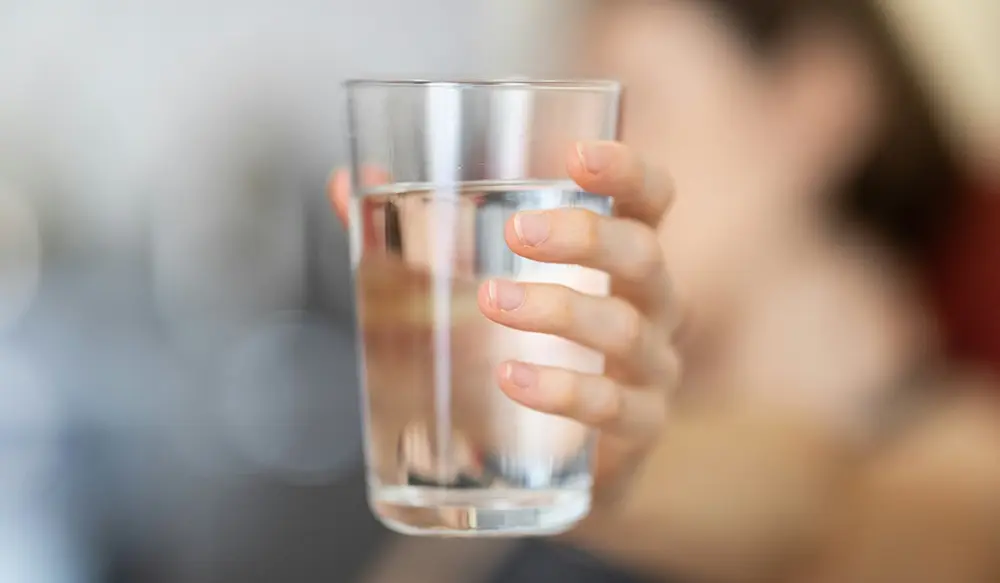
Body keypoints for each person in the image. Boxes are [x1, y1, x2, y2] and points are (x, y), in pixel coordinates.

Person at [332, 1, 1000, 581]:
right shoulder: (561, 436)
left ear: (816, 100)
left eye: (631, 102)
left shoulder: (958, 456)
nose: (555, 162)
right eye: (555, 117)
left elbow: (830, 511)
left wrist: (588, 475)